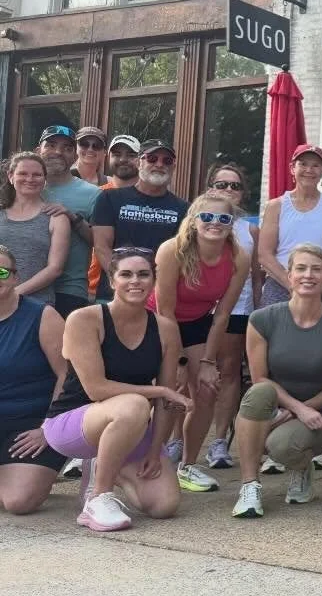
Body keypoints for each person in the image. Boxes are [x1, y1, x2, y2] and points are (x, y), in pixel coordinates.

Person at [41, 248, 187, 531]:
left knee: (163, 506)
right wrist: (158, 392)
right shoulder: (84, 319)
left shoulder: (166, 328)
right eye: (126, 274)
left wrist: (156, 449)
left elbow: (168, 403)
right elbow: (97, 389)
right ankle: (98, 498)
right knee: (134, 404)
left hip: (127, 426)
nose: (136, 281)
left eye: (144, 274)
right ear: (112, 281)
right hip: (72, 424)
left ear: (153, 280)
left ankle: (105, 463)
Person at [231, 245, 322, 519]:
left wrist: (304, 410)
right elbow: (260, 378)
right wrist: (294, 409)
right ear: (289, 276)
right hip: (273, 408)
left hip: (319, 416)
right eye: (300, 268)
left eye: (316, 269)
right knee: (259, 391)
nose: (308, 275)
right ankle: (250, 486)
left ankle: (302, 468)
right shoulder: (262, 319)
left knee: (282, 446)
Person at [148, 194, 250, 494]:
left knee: (207, 389)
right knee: (168, 390)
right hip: (158, 321)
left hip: (197, 323)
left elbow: (222, 316)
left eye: (223, 219)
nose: (214, 224)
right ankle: (151, 458)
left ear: (231, 225)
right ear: (193, 221)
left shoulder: (239, 257)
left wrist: (206, 362)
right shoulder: (173, 250)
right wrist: (178, 362)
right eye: (206, 217)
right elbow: (165, 312)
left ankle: (188, 466)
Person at [201, 163, 263, 471]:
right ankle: (179, 441)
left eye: (234, 186)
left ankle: (219, 441)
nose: (228, 191)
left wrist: (257, 311)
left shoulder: (250, 229)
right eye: (221, 184)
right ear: (210, 188)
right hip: (199, 309)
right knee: (190, 376)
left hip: (239, 310)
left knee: (228, 373)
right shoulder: (195, 220)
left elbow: (255, 276)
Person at [0, 244, 67, 513]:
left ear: (16, 277)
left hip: (30, 425)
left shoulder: (42, 316)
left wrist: (48, 428)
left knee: (18, 502)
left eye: (2, 272)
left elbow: (68, 376)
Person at [91, 139, 187, 301]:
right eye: (152, 158)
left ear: (173, 167)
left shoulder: (184, 209)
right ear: (138, 162)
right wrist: (122, 281)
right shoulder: (109, 198)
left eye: (167, 161)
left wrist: (153, 290)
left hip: (158, 297)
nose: (159, 164)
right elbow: (101, 247)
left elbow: (181, 257)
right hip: (113, 294)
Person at [258, 145, 322, 310]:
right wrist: (291, 284)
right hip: (281, 284)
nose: (309, 170)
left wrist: (320, 286)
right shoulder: (276, 206)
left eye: (315, 165)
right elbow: (264, 254)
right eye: (303, 164)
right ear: (292, 168)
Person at [38, 124, 100, 317]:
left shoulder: (93, 194)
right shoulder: (23, 186)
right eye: (51, 145)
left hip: (69, 291)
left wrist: (73, 218)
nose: (58, 152)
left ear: (75, 156)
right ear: (37, 150)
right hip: (22, 285)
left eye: (67, 148)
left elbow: (100, 242)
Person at [0, 151, 69, 306]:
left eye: (37, 175)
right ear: (11, 177)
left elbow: (55, 268)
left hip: (35, 305)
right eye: (23, 173)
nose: (30, 179)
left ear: (45, 179)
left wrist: (14, 293)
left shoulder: (56, 217)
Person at [85, 134, 141, 300]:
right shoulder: (95, 194)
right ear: (108, 158)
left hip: (138, 288)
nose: (123, 159)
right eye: (117, 154)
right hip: (91, 288)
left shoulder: (150, 198)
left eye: (131, 155)